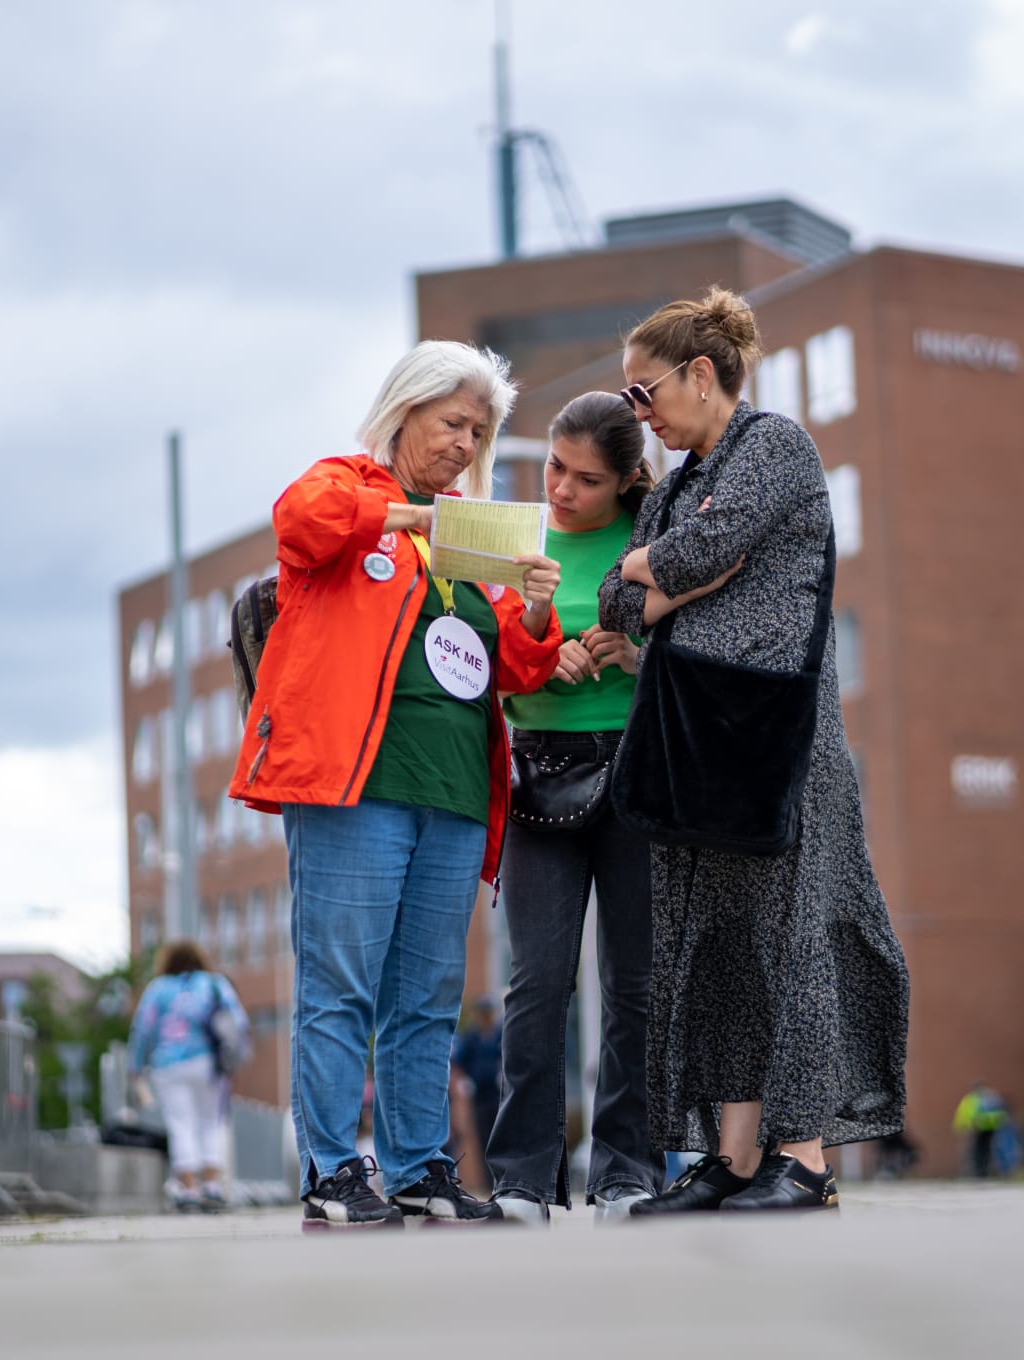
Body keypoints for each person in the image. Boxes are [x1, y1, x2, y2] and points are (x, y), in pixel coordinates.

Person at [227, 340, 563, 1229]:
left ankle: (419, 1168)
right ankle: (334, 1168)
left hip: (452, 789)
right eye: (453, 422)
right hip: (354, 783)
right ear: (405, 410)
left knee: (426, 998)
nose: (464, 443)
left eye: (479, 431)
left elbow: (514, 666)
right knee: (340, 985)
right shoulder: (348, 486)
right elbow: (300, 521)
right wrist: (406, 516)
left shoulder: (466, 528)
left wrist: (531, 606)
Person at [599, 287, 910, 1214]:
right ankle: (735, 1159)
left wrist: (666, 571)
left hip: (780, 739)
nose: (638, 416)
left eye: (644, 394)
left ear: (702, 374)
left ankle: (805, 1160)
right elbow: (623, 604)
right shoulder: (682, 485)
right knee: (717, 945)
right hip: (694, 740)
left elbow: (716, 548)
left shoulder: (774, 444)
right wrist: (658, 569)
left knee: (789, 935)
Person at [486, 391, 665, 1225]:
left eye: (585, 479)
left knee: (633, 985)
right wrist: (534, 658)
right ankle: (522, 1177)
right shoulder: (517, 540)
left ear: (627, 481)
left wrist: (636, 653)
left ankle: (626, 1171)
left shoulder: (653, 540)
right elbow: (477, 662)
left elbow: (697, 651)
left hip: (637, 774)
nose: (560, 489)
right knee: (538, 982)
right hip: (538, 773)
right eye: (555, 467)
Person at [127, 939, 249, 1213]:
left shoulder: (158, 989)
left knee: (180, 1123)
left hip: (168, 1064)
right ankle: (213, 1187)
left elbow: (142, 1029)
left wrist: (134, 1066)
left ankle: (189, 1188)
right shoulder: (215, 984)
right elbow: (238, 1021)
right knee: (212, 1122)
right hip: (209, 1063)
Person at [452, 995, 503, 1182]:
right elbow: (460, 1062)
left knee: (499, 1135)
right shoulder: (472, 1037)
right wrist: (465, 1081)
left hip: (498, 1094)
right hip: (480, 1096)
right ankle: (487, 1181)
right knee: (483, 1138)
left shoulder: (500, 1034)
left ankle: (502, 1178)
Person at [953, 1080, 1008, 1178]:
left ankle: (981, 1171)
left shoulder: (973, 1099)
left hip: (979, 1126)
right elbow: (1002, 1110)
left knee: (978, 1150)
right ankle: (993, 1170)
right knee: (990, 1149)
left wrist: (962, 1127)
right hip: (993, 1127)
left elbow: (966, 1114)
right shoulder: (993, 1097)